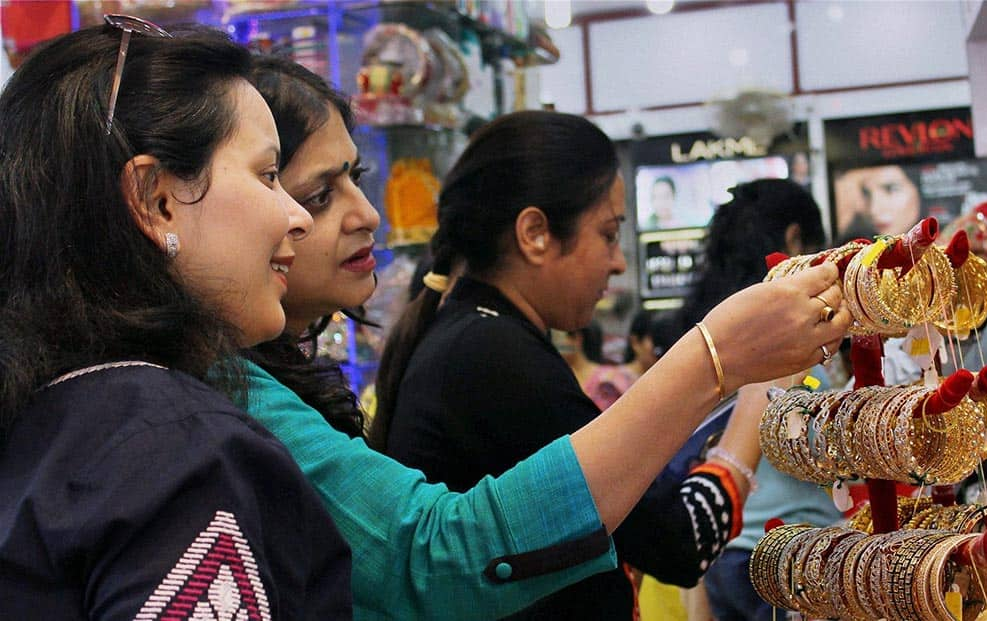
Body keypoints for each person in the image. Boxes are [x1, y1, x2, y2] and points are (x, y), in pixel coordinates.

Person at [373, 111, 849, 619]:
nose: (619, 261)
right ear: (535, 233)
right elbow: (682, 540)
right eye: (607, 234)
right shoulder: (490, 357)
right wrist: (758, 383)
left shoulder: (476, 337)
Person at [0, 22, 353, 619]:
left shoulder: (45, 415)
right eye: (268, 175)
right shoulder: (174, 451)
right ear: (155, 199)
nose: (297, 216)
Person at [676, 179, 844, 621]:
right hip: (789, 558)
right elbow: (813, 441)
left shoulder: (708, 333)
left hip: (722, 551)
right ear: (795, 240)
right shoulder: (789, 336)